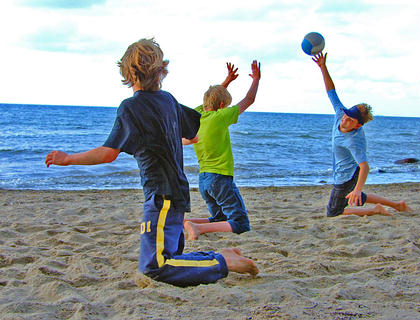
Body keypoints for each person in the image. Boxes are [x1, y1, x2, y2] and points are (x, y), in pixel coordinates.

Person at [45, 38, 258, 287]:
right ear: (162, 71)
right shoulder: (168, 100)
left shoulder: (131, 108)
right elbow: (193, 135)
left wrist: (68, 159)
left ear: (128, 74)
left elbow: (108, 153)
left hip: (161, 197)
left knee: (154, 267)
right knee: (171, 258)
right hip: (177, 194)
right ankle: (221, 257)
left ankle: (223, 261)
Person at [312, 52, 411, 217]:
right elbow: (331, 91)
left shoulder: (353, 141)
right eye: (346, 115)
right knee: (353, 196)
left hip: (346, 176)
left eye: (350, 119)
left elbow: (364, 166)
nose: (345, 119)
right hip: (348, 172)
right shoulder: (340, 114)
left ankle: (375, 210)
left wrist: (357, 188)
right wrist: (323, 67)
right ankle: (396, 205)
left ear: (357, 125)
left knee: (334, 212)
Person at [182, 60, 261, 239]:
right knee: (240, 223)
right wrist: (256, 79)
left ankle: (184, 223)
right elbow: (249, 100)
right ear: (222, 107)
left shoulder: (198, 115)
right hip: (220, 180)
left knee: (220, 218)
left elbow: (211, 100)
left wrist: (226, 82)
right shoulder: (220, 116)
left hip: (204, 181)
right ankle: (197, 228)